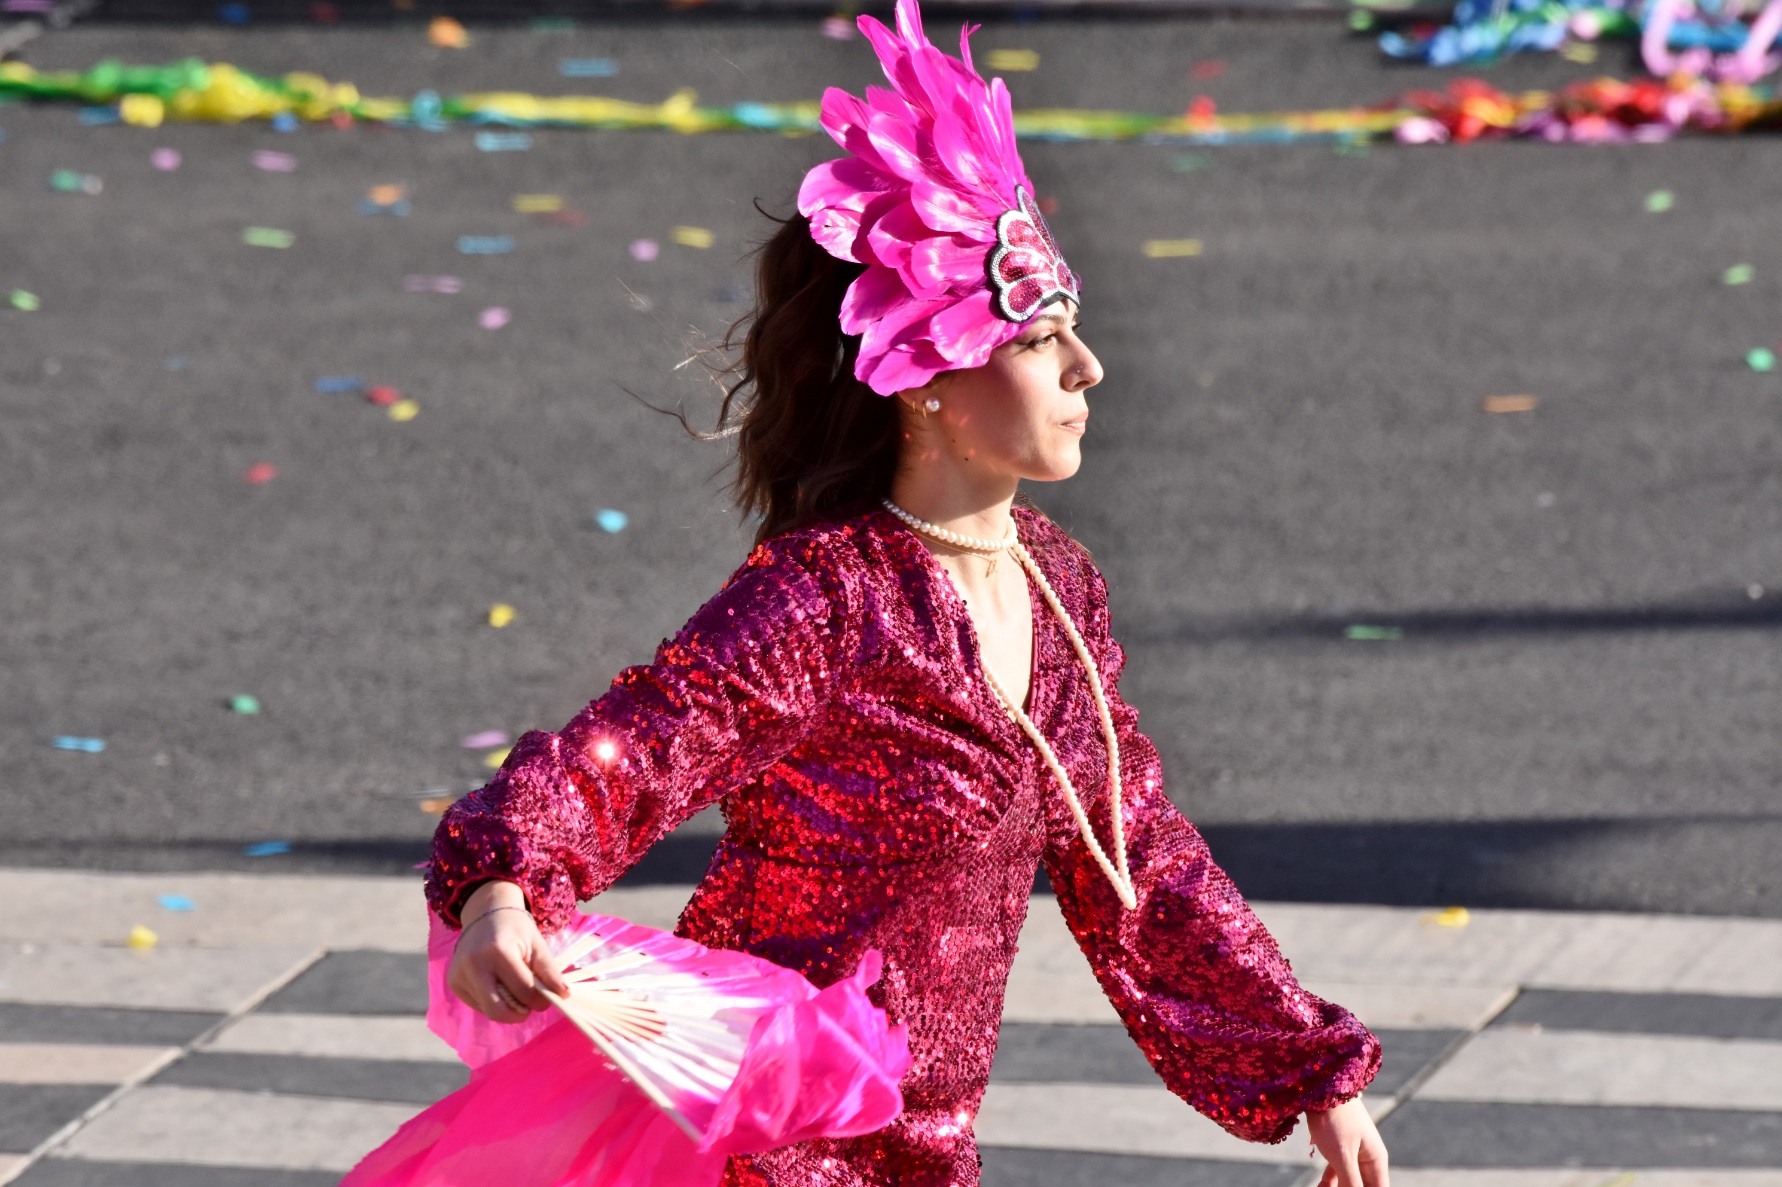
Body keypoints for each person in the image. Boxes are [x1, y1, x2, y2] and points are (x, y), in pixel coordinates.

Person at [428, 3, 1389, 1185]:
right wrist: (505, 886)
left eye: (1074, 332)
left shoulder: (1058, 587)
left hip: (923, 1147)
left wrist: (1308, 1068)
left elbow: (1132, 855)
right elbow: (630, 750)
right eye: (1038, 340)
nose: (1087, 367)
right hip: (768, 1136)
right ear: (927, 377)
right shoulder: (827, 600)